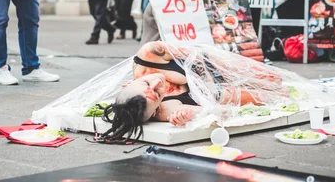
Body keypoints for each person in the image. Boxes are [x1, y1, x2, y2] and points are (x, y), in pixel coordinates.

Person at [96, 41, 285, 143]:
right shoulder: (163, 111)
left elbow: (199, 54)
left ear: (130, 83)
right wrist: (191, 115)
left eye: (146, 83)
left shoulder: (150, 54)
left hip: (214, 64)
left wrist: (246, 73)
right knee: (277, 95)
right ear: (155, 111)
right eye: (158, 94)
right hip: (218, 92)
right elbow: (220, 112)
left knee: (273, 78)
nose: (158, 84)